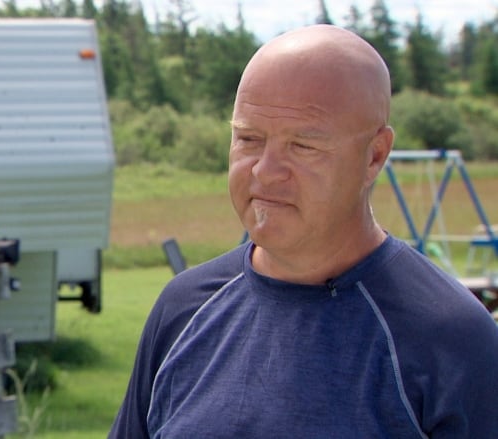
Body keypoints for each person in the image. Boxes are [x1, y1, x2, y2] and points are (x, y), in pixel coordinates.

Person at [108, 24, 498, 438]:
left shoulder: (452, 341)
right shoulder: (183, 309)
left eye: (304, 146)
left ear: (375, 155)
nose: (265, 171)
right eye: (248, 139)